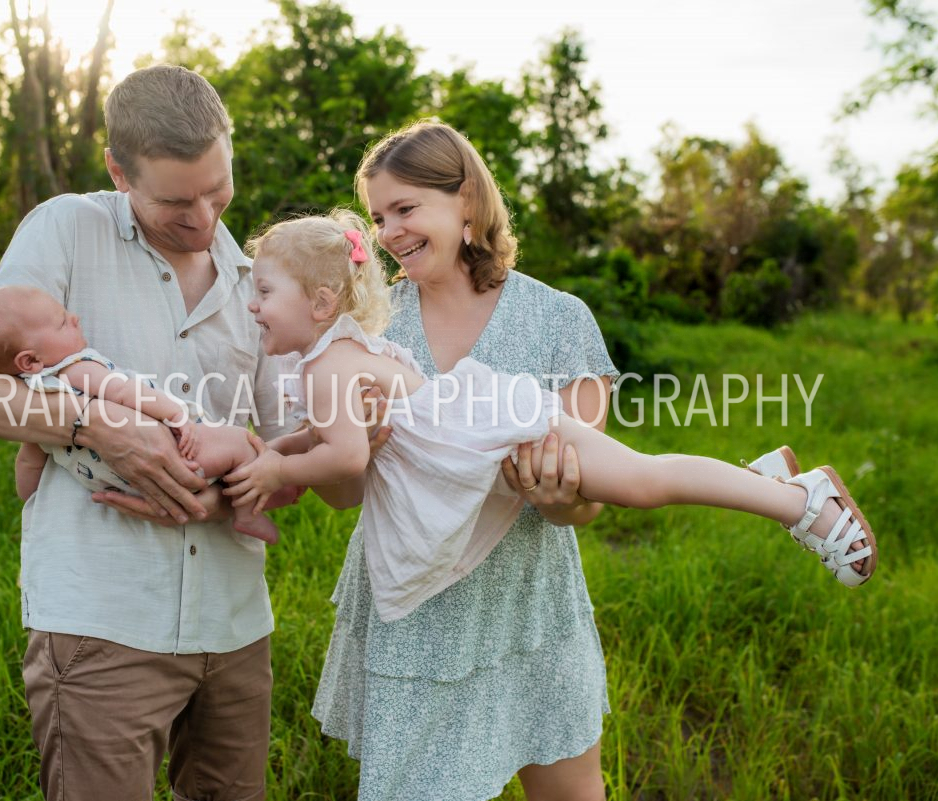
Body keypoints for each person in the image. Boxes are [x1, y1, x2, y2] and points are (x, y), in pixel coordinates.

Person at [269, 120, 837, 801]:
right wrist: (359, 448)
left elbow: (590, 500)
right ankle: (772, 487)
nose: (390, 232)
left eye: (406, 208)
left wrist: (555, 494)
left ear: (466, 200)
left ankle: (783, 496)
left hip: (530, 606)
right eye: (378, 217)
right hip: (418, 618)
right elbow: (343, 493)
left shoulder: (560, 320)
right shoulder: (368, 328)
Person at [0, 65, 297, 801]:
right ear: (117, 171)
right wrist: (97, 428)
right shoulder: (67, 228)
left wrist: (229, 492)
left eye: (217, 188)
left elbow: (290, 450)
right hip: (102, 623)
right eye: (175, 201)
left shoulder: (257, 280)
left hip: (233, 623)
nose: (203, 217)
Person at [226, 211, 875, 623]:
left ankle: (802, 501)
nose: (252, 306)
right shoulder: (338, 355)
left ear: (320, 303)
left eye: (263, 291)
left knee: (643, 481)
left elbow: (344, 455)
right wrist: (276, 454)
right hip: (486, 431)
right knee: (643, 477)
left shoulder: (326, 367)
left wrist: (277, 466)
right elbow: (329, 439)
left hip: (495, 432)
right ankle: (767, 483)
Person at [0, 284, 283, 542]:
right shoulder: (76, 368)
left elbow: (28, 462)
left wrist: (31, 498)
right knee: (241, 443)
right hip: (173, 453)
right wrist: (175, 416)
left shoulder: (38, 404)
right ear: (30, 361)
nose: (74, 318)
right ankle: (247, 514)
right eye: (61, 322)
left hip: (123, 481)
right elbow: (124, 392)